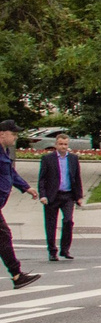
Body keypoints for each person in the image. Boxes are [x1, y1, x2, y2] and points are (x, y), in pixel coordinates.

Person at [37, 130, 82, 262]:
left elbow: (77, 178)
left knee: (68, 221)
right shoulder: (47, 159)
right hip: (52, 196)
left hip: (68, 195)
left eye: (65, 144)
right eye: (61, 144)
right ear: (56, 145)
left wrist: (79, 196)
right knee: (51, 224)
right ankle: (52, 251)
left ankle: (65, 249)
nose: (63, 147)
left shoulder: (73, 159)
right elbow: (42, 179)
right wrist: (43, 195)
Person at [0, 121, 35, 288]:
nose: (15, 137)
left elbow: (11, 173)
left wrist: (26, 187)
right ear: (2, 134)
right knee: (3, 237)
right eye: (13, 134)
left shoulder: (4, 152)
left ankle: (16, 275)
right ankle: (16, 275)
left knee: (3, 237)